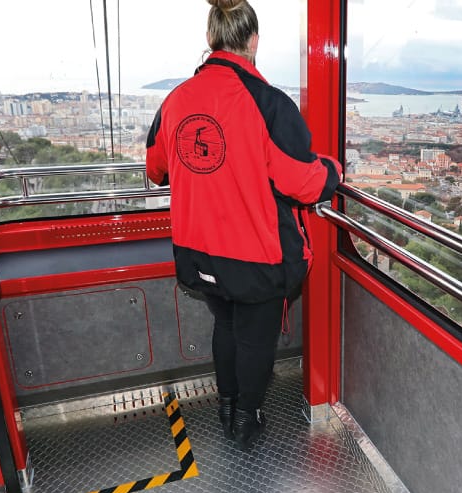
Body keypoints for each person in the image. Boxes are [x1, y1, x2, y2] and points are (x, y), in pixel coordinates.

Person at [146, 0, 341, 451]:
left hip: (197, 251)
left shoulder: (176, 100)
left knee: (226, 326)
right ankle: (246, 418)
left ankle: (227, 405)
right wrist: (334, 170)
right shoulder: (269, 104)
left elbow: (157, 167)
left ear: (211, 40)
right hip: (255, 255)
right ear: (253, 41)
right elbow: (304, 183)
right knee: (255, 340)